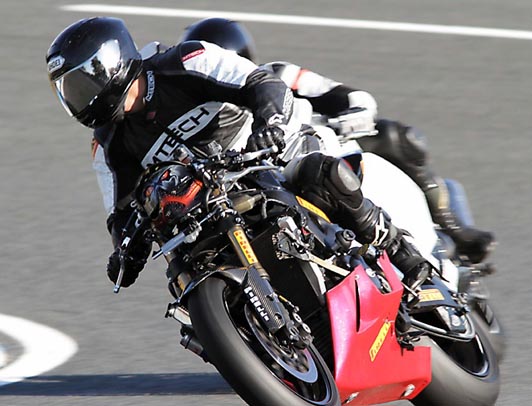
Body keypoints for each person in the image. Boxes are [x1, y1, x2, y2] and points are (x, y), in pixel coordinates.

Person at [46, 17, 431, 290]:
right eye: (69, 92)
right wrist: (125, 253)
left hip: (268, 153)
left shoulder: (183, 62)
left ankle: (401, 252)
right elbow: (121, 212)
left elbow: (260, 82)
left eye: (82, 85)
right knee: (180, 269)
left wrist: (271, 127)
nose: (80, 99)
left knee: (317, 172)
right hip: (210, 196)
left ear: (110, 66)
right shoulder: (107, 145)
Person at [180, 17, 495, 264]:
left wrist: (347, 117)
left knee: (396, 136)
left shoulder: (276, 75)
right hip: (280, 189)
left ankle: (455, 229)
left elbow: (347, 96)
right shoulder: (196, 127)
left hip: (330, 151)